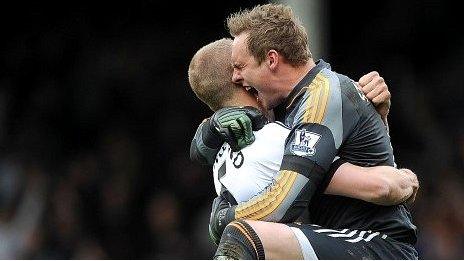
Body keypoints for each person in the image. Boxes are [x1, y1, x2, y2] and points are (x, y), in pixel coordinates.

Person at [188, 37, 418, 259]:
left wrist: (375, 119)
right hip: (379, 247)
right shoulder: (271, 139)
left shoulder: (221, 157)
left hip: (325, 245)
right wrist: (408, 179)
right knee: (243, 237)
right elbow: (383, 187)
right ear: (243, 82)